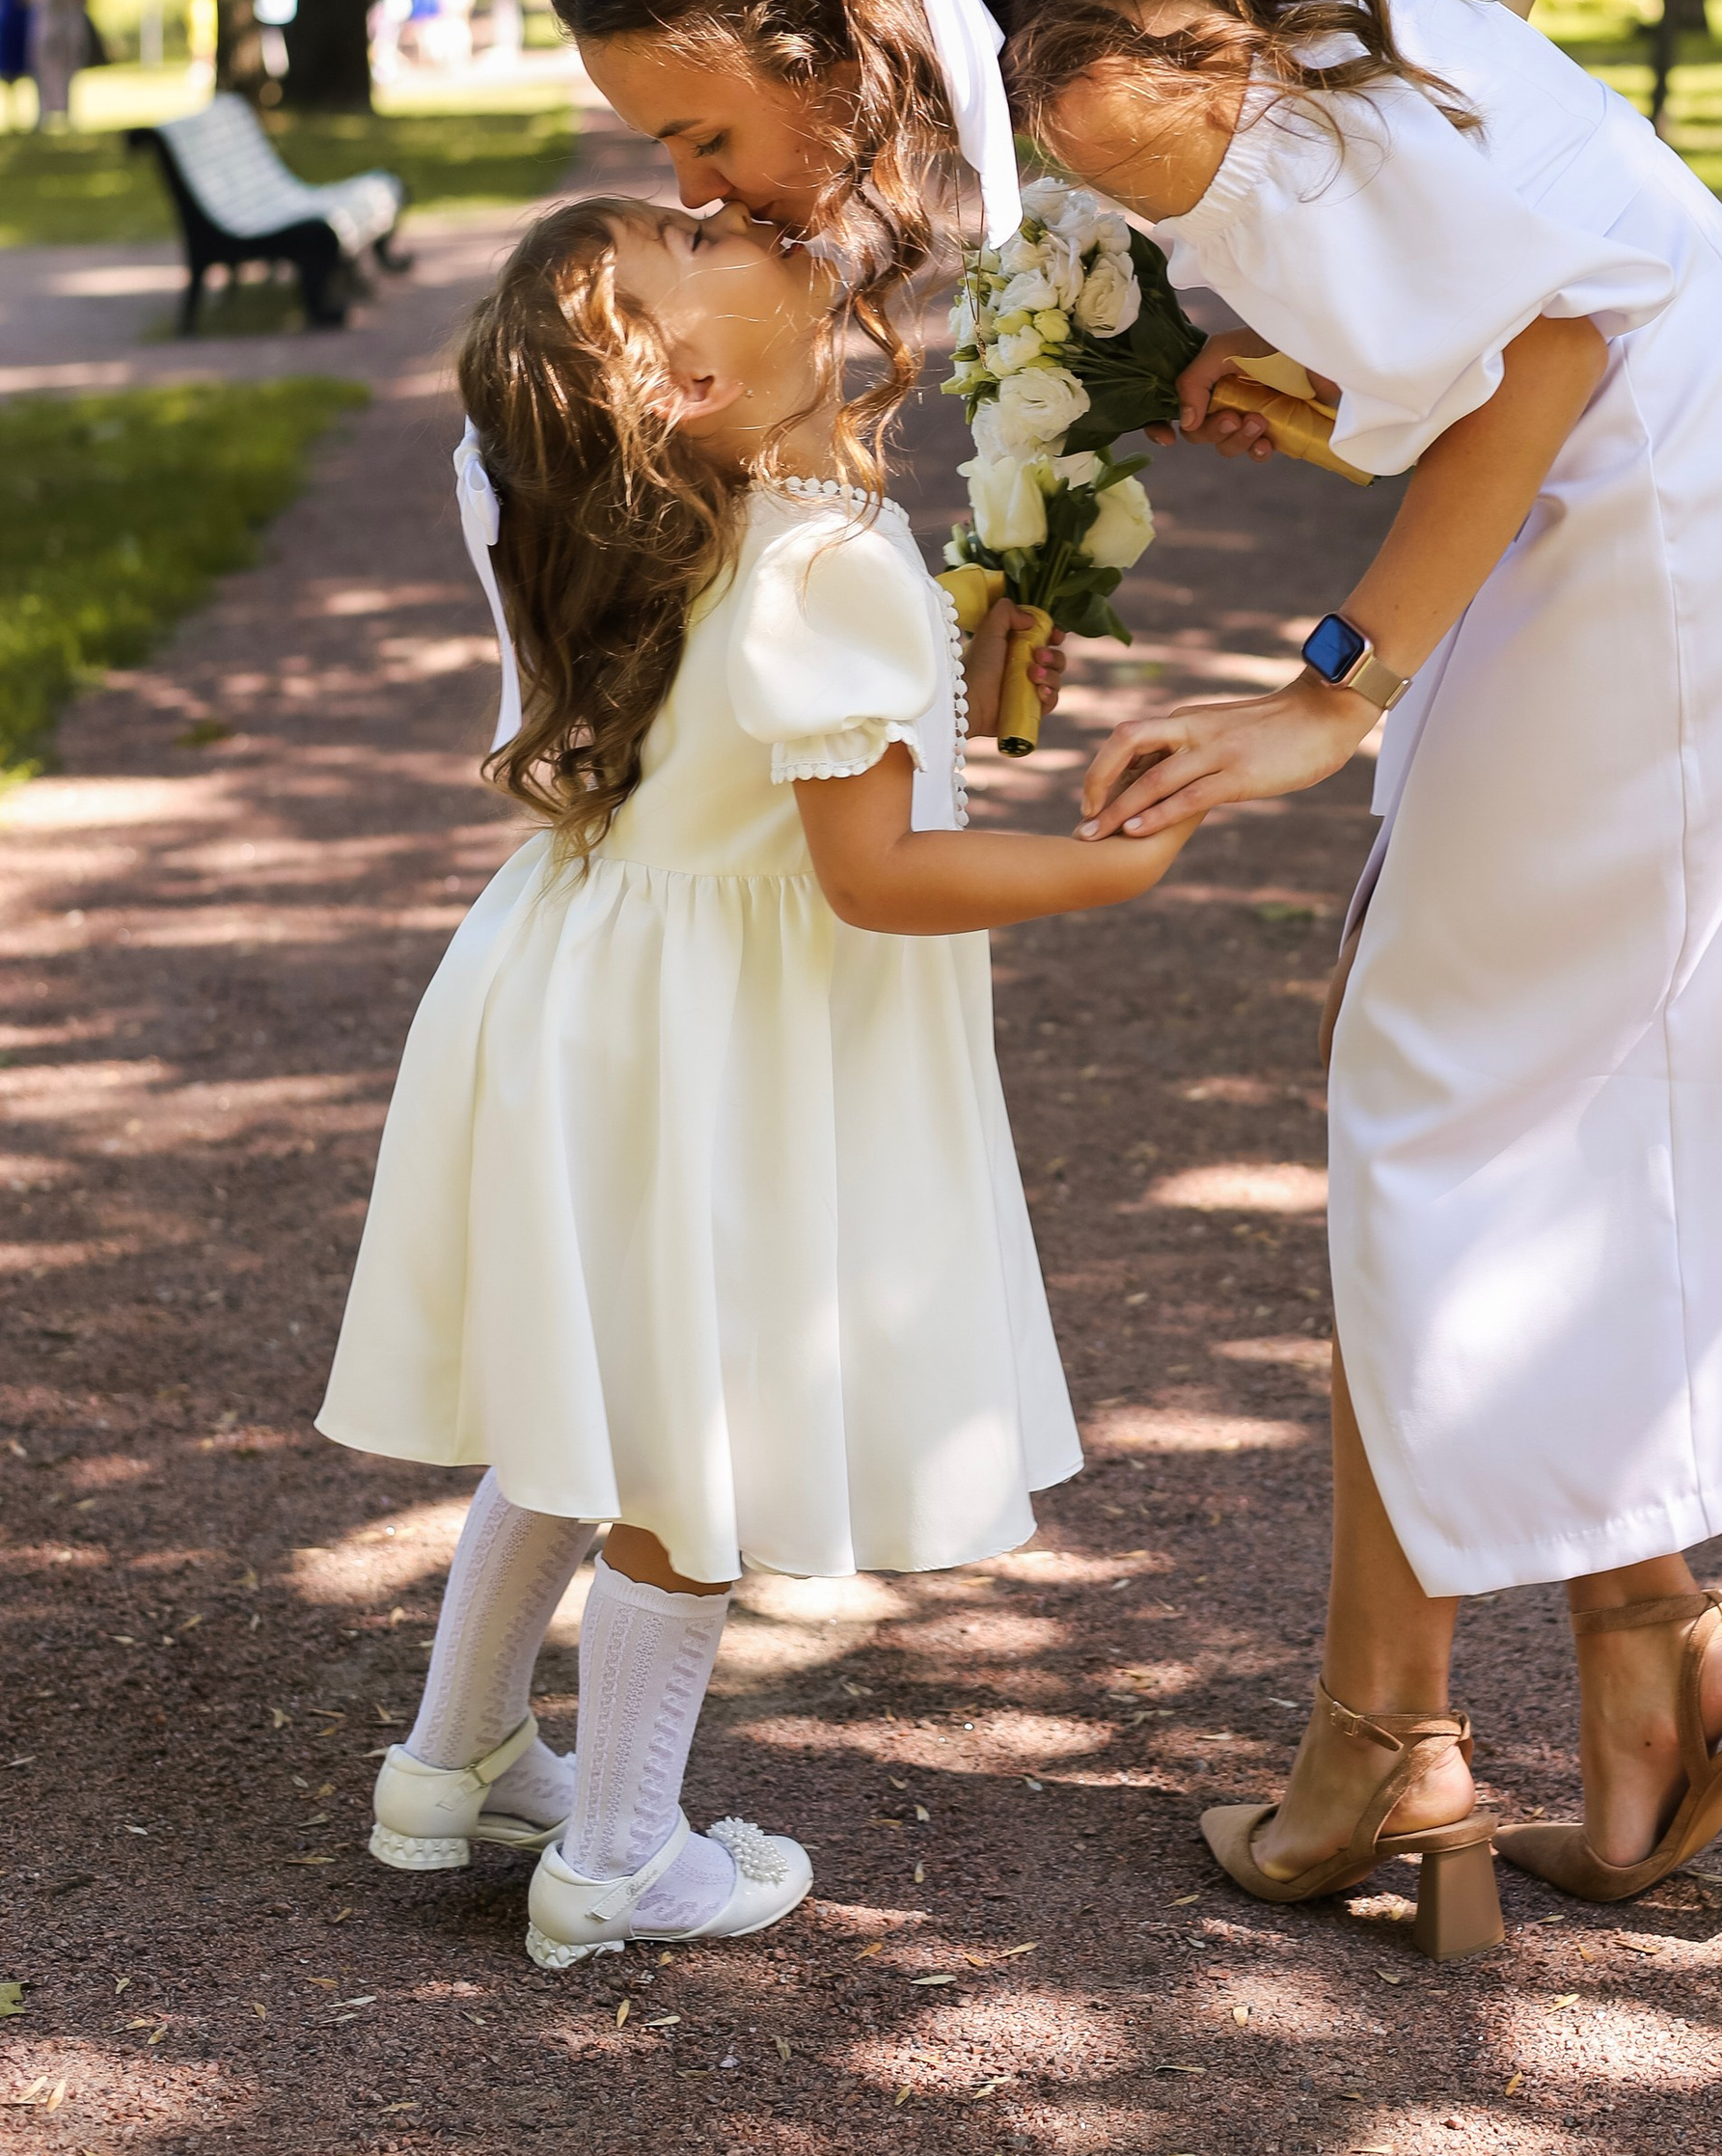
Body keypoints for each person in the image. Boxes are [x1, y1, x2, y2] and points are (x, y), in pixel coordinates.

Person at [551, 0, 1722, 1949]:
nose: (697, 189)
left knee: (1437, 1106)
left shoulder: (1105, 85)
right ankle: (1622, 1674)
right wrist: (1239, 410)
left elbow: (1555, 335)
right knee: (1486, 1096)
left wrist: (1335, 690)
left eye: (706, 135)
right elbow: (1495, 104)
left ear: (810, 35)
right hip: (1711, 484)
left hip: (1663, 538)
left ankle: (1407, 1738)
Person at [317, 170, 1199, 1971]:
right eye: (692, 246)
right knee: (697, 1431)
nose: (735, 215)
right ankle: (628, 1854)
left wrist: (948, 673)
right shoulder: (810, 555)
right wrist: (1117, 866)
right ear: (691, 390)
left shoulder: (637, 520)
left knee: (599, 1398)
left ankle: (457, 1761)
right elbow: (876, 878)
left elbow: (809, 758)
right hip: (719, 1038)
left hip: (583, 986)